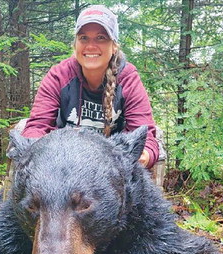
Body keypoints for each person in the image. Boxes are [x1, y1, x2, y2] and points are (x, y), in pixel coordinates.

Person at [18, 4, 162, 169]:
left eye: (101, 37)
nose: (91, 46)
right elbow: (37, 126)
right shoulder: (59, 75)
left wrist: (143, 155)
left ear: (114, 46)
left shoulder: (127, 78)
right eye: (83, 38)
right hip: (63, 159)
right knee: (23, 137)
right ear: (75, 44)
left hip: (110, 163)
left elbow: (144, 133)